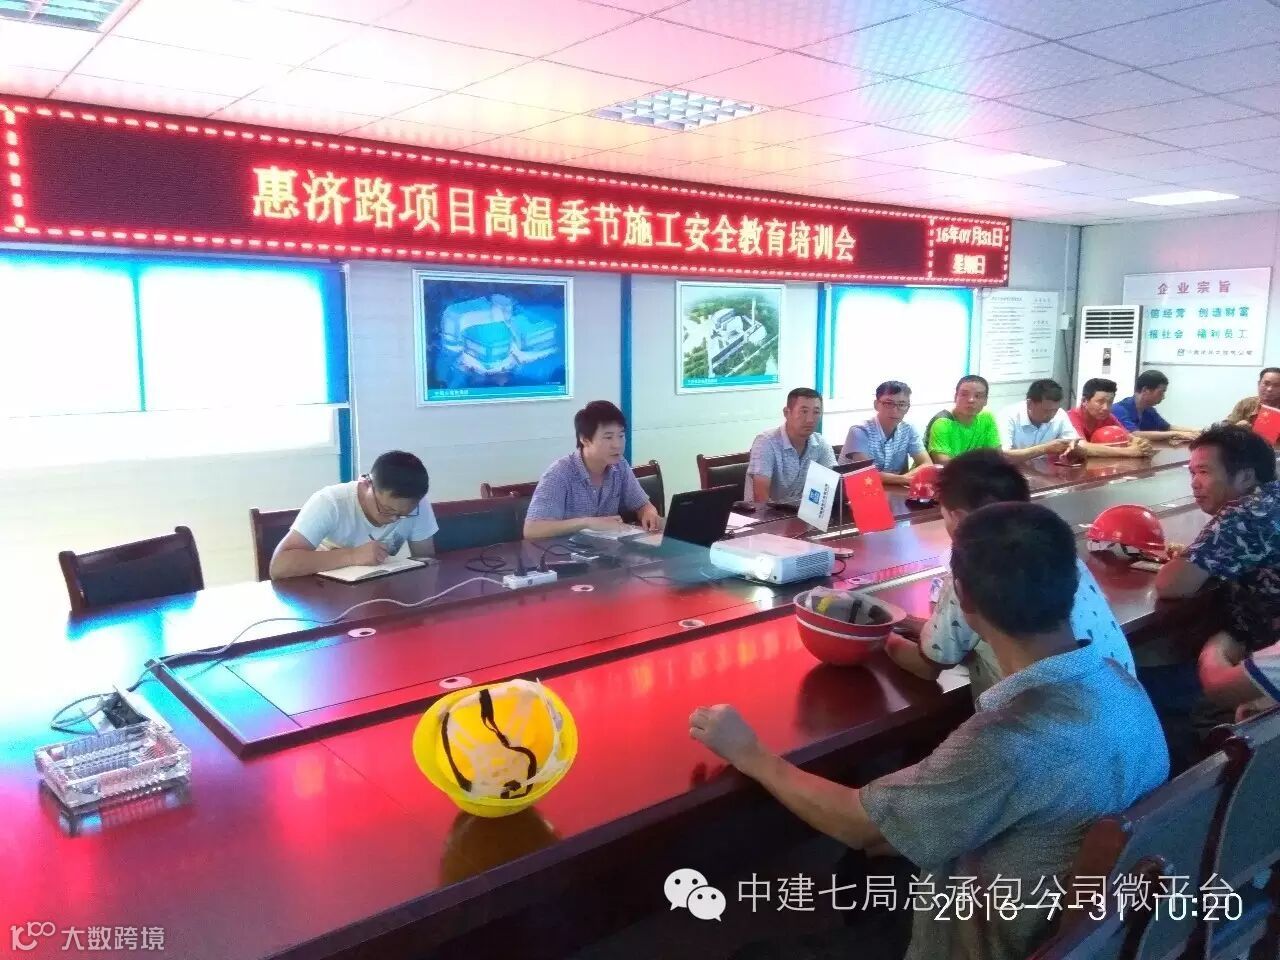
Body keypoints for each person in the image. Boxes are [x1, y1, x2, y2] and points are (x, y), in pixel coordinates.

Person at [690, 502, 1168, 960]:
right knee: (865, 868)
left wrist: (751, 754)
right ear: (1073, 581)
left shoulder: (1009, 739)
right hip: (1090, 928)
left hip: (986, 943)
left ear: (964, 599)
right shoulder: (1122, 684)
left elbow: (861, 827)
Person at [886, 449, 1135, 700]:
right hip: (1122, 704)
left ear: (959, 518)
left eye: (944, 516)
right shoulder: (1061, 554)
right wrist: (905, 621)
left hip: (1032, 716)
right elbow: (953, 633)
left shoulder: (974, 569)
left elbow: (927, 666)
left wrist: (883, 638)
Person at [1154, 425, 1280, 719]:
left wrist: (1217, 646)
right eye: (1191, 473)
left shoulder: (1246, 513)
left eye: (1204, 472)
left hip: (1259, 663)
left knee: (1150, 682)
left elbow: (1173, 584)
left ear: (1245, 476)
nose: (1195, 483)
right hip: (1262, 648)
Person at [270, 450, 438, 580]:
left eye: (403, 515)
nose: (394, 519)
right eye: (387, 510)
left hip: (380, 591)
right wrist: (353, 555)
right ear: (366, 484)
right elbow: (279, 566)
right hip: (322, 593)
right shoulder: (331, 503)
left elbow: (425, 559)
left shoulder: (416, 505)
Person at [523, 400, 662, 539]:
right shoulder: (559, 473)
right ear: (584, 439)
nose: (617, 445)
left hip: (609, 549)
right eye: (608, 437)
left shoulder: (620, 466)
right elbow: (532, 530)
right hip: (566, 550)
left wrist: (649, 513)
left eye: (621, 436)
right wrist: (587, 523)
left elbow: (643, 505)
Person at [746, 387, 837, 505]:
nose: (810, 420)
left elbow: (833, 485)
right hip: (763, 514)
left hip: (802, 513)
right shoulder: (766, 442)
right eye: (804, 411)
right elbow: (760, 498)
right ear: (786, 413)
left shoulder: (820, 444)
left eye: (816, 412)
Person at [842, 380, 932, 486]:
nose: (895, 410)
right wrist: (904, 479)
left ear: (907, 408)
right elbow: (865, 474)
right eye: (888, 403)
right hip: (853, 491)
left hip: (892, 491)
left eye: (901, 404)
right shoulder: (859, 431)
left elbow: (927, 464)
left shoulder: (908, 429)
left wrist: (905, 478)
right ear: (876, 405)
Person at [1067, 377, 1155, 458]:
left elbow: (1129, 437)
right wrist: (1129, 452)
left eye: (1110, 402)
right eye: (1100, 402)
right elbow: (1080, 446)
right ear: (1084, 401)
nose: (1106, 408)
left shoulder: (1107, 416)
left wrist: (1142, 444)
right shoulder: (1071, 417)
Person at [997, 378, 1079, 462]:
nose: (1052, 415)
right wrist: (1044, 449)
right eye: (1046, 410)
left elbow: (1075, 443)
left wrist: (1074, 447)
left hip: (1045, 468)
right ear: (1029, 404)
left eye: (1055, 410)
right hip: (1014, 468)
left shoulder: (1060, 414)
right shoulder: (1008, 415)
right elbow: (1003, 455)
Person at [925, 374, 1000, 464]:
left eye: (977, 396)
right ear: (955, 397)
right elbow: (943, 462)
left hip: (974, 471)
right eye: (964, 394)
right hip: (940, 472)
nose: (971, 400)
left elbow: (996, 454)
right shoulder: (942, 422)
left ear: (986, 401)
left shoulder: (987, 417)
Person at [1113, 370, 1200, 444]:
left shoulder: (1149, 410)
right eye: (1161, 392)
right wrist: (1176, 434)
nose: (1163, 397)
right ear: (1145, 390)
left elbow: (1168, 427)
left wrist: (1195, 431)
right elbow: (1135, 434)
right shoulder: (1119, 409)